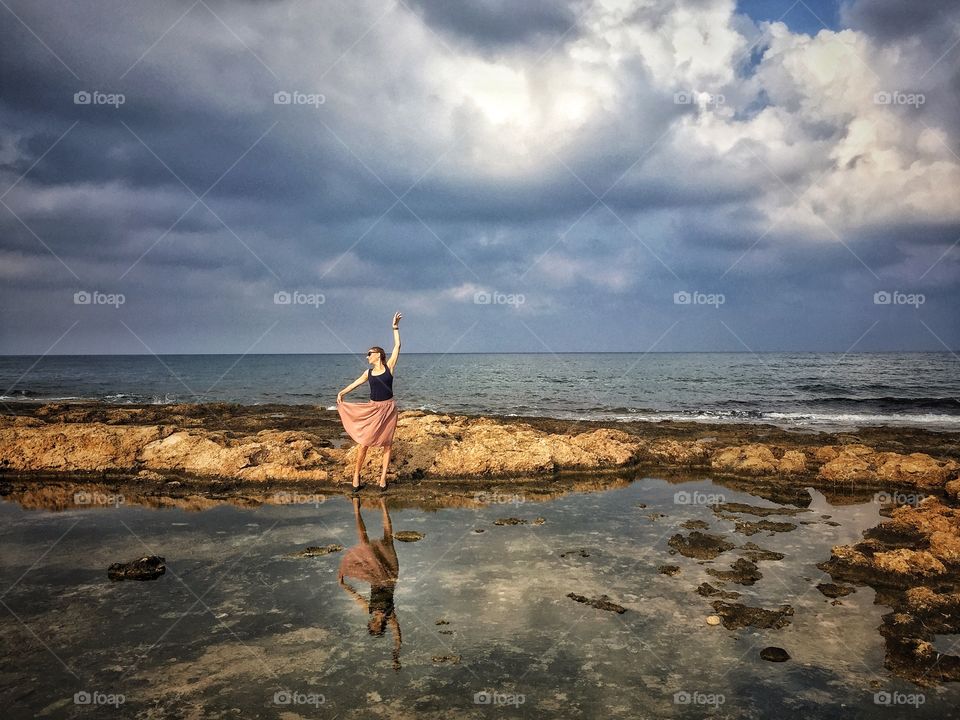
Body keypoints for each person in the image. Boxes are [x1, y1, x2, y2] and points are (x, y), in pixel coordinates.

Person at [336, 312, 402, 490]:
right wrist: (342, 392)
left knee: (387, 444)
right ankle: (356, 475)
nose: (367, 356)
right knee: (364, 443)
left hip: (389, 409)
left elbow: (398, 346)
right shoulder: (369, 373)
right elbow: (356, 383)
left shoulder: (390, 367)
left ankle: (382, 479)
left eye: (369, 354)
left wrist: (395, 327)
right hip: (373, 409)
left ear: (378, 355)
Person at [338, 497, 402, 671]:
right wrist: (396, 654)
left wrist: (344, 586)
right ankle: (383, 504)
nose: (373, 624)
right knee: (388, 538)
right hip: (390, 574)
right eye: (375, 627)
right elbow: (397, 634)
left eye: (371, 626)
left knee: (363, 543)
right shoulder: (390, 616)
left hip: (374, 574)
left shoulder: (370, 609)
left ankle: (357, 510)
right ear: (380, 628)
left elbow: (357, 597)